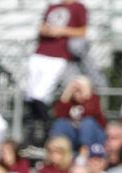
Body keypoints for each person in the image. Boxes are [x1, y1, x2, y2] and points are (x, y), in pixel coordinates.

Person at [24, 0, 88, 146]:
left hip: (58, 55)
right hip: (40, 52)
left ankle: (47, 129)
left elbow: (82, 31)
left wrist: (62, 31)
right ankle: (34, 131)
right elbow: (42, 27)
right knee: (30, 94)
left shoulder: (78, 7)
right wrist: (47, 30)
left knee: (40, 94)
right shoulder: (53, 6)